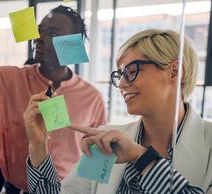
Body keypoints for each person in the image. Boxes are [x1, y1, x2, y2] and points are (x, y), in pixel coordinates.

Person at [0, 1, 107, 193]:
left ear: (74, 44)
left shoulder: (92, 99)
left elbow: (98, 163)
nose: (39, 37)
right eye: (40, 30)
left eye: (53, 34)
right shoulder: (8, 81)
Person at [24, 29, 212, 194]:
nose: (121, 84)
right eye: (119, 75)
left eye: (131, 71)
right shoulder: (106, 141)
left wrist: (142, 159)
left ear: (175, 71)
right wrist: (38, 147)